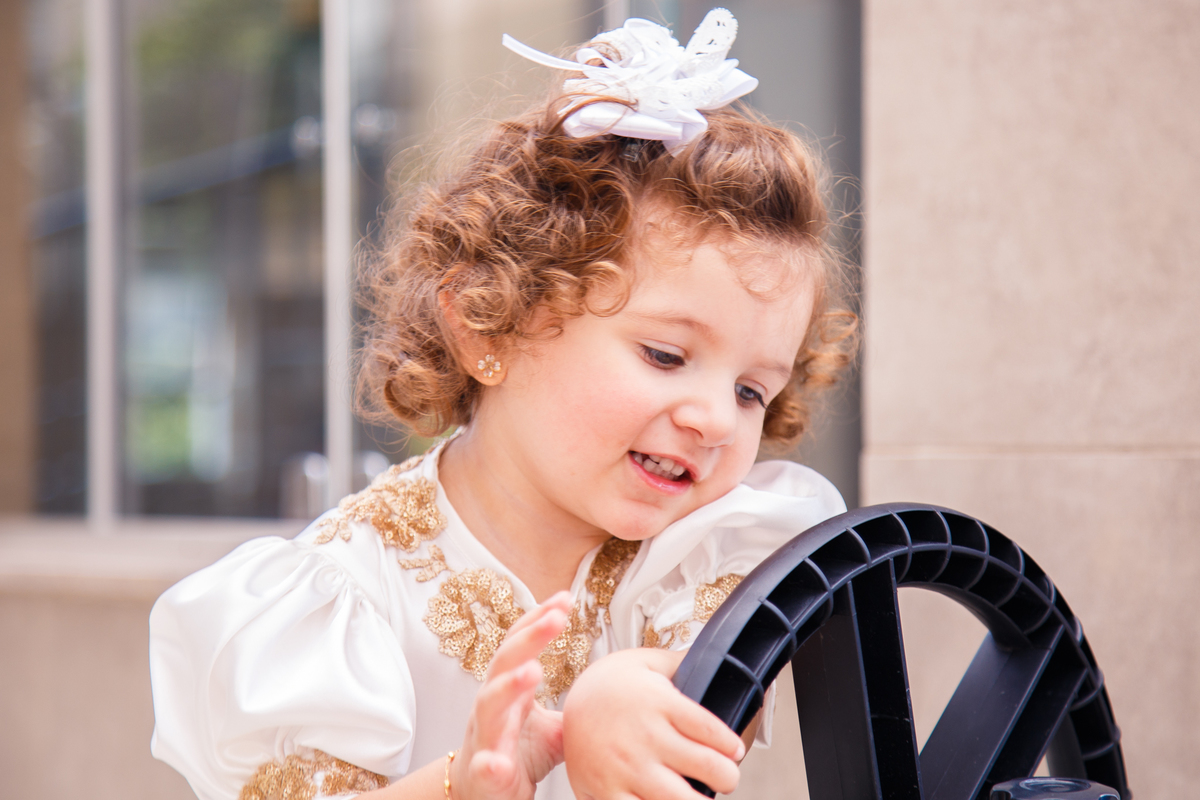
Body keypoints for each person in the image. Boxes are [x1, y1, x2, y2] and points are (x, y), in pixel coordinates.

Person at [149, 9, 856, 800]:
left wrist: (628, 694)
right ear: (491, 324)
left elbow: (727, 699)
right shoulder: (343, 599)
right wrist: (466, 784)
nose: (717, 419)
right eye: (665, 355)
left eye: (752, 390)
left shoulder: (703, 545)